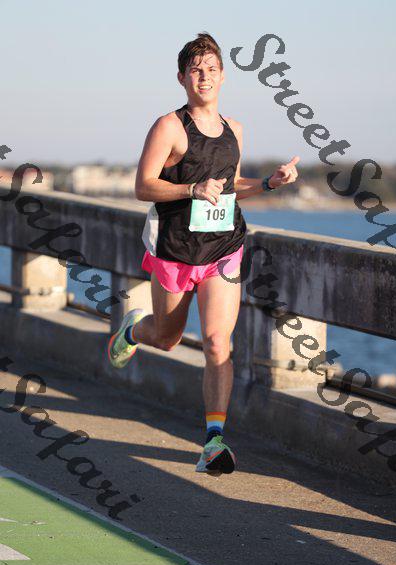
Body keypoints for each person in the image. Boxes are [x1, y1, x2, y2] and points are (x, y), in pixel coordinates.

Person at [108, 32, 299, 476]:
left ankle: (213, 441)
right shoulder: (169, 127)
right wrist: (191, 189)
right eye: (196, 70)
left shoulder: (235, 129)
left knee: (217, 342)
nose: (204, 76)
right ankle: (133, 331)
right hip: (176, 250)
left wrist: (268, 183)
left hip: (223, 249)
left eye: (211, 69)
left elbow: (228, 189)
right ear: (182, 78)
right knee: (167, 338)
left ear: (223, 76)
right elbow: (143, 186)